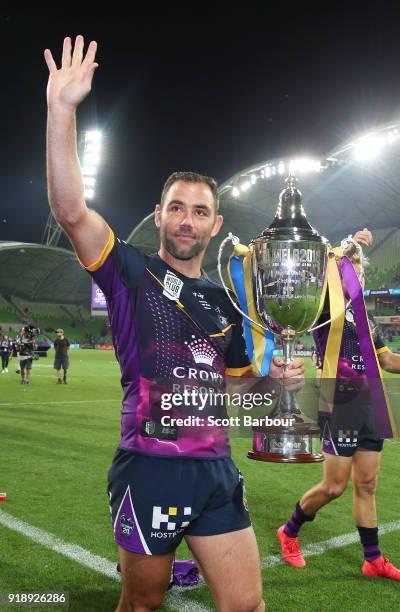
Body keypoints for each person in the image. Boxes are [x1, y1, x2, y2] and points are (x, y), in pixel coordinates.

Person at [44, 35, 304, 611]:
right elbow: (70, 210)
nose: (188, 220)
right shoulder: (128, 270)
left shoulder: (223, 301)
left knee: (247, 605)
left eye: (201, 211)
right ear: (160, 215)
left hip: (216, 471)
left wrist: (273, 384)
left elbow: (235, 389)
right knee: (142, 603)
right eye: (178, 208)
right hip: (151, 469)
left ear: (215, 225)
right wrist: (61, 111)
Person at [277, 228, 400, 580]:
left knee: (368, 484)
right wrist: (349, 245)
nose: (357, 274)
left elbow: (387, 360)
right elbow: (326, 261)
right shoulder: (322, 308)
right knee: (334, 486)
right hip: (338, 403)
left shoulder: (365, 317)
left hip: (370, 406)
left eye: (360, 270)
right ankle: (289, 531)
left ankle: (372, 559)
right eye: (352, 268)